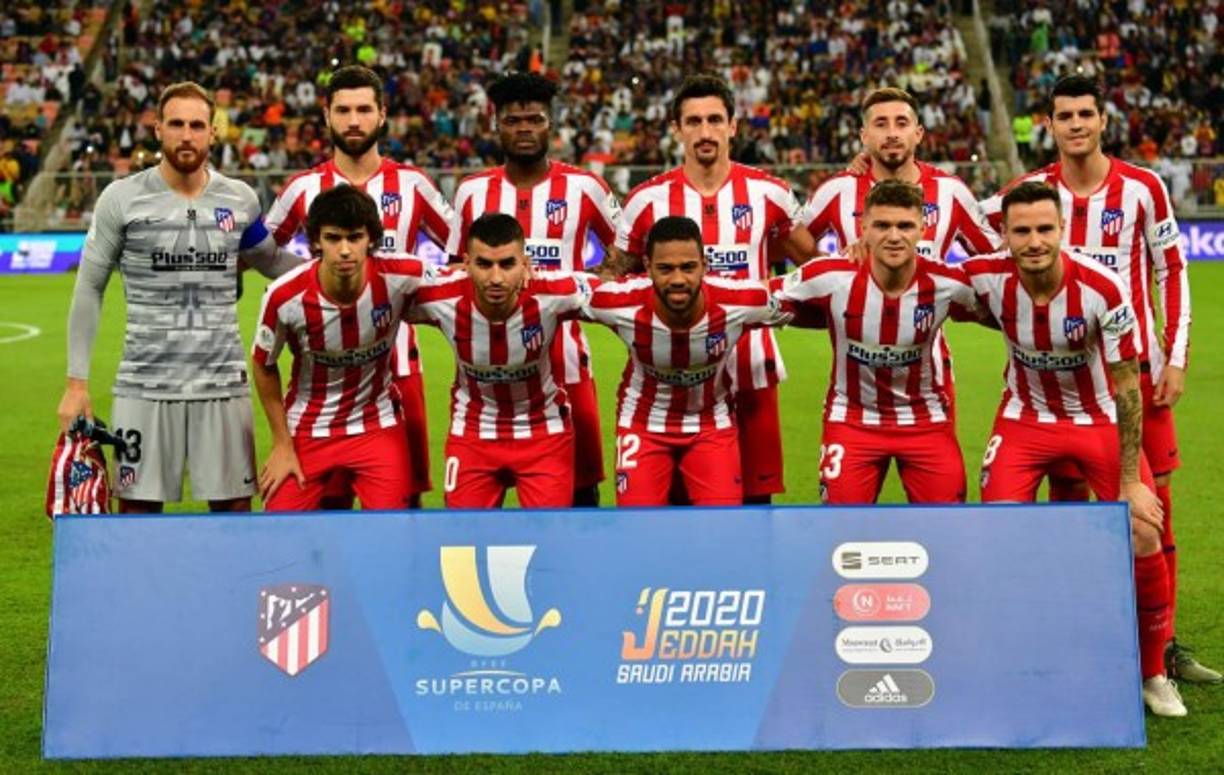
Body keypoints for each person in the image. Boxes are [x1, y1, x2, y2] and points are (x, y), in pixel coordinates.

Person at [980, 76, 1210, 683]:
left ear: (1103, 120)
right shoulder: (1029, 195)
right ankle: (1082, 635)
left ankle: (1163, 648)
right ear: (1050, 125)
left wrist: (1176, 356)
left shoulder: (1142, 188)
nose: (1076, 124)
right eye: (1065, 115)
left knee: (1154, 508)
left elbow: (1172, 270)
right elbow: (952, 221)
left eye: (1086, 113)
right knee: (1069, 506)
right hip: (1056, 389)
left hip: (1134, 375)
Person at [964, 181, 1182, 717]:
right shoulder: (983, 278)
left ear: (1062, 229)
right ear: (1004, 234)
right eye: (1022, 231)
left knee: (1143, 529)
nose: (1035, 241)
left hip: (1097, 417)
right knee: (1000, 533)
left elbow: (1127, 387)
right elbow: (920, 278)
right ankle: (1021, 657)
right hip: (1024, 418)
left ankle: (1153, 672)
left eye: (1045, 229)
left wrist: (1130, 481)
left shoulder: (1103, 288)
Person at [56, 81, 300, 513]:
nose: (186, 135)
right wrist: (76, 384)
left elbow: (273, 262)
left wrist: (339, 268)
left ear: (213, 133)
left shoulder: (240, 199)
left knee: (233, 516)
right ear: (157, 129)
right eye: (176, 124)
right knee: (137, 518)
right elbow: (90, 286)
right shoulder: (121, 199)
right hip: (143, 386)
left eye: (197, 125)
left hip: (223, 386)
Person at [614, 74, 818, 504]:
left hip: (751, 369)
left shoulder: (770, 193)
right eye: (693, 122)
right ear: (677, 129)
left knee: (755, 501)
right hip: (676, 374)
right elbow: (614, 279)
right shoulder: (646, 201)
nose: (705, 132)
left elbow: (815, 269)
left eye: (714, 120)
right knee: (674, 505)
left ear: (733, 126)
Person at [265, 65, 454, 509]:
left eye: (364, 110)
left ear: (382, 114)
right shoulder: (303, 188)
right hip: (324, 374)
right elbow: (264, 253)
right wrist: (305, 281)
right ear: (326, 115)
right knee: (328, 509)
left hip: (398, 368)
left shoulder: (413, 185)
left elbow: (462, 253)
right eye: (344, 110)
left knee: (401, 506)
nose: (354, 121)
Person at [445, 72, 623, 506]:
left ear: (550, 124)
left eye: (534, 119)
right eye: (513, 120)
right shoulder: (472, 191)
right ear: (496, 126)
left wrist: (584, 283)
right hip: (486, 370)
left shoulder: (585, 187)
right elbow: (454, 269)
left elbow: (628, 253)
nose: (524, 128)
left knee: (579, 496)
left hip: (567, 364)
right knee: (473, 507)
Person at [775, 181, 983, 504]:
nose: (894, 236)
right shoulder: (830, 276)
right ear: (864, 229)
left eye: (905, 226)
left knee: (945, 522)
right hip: (852, 419)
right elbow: (758, 298)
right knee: (843, 524)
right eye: (882, 225)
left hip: (925, 421)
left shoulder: (949, 283)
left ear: (923, 229)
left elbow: (1004, 305)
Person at [585, 216, 790, 507]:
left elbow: (808, 300)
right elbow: (558, 296)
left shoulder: (741, 301)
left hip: (711, 424)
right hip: (642, 424)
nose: (678, 280)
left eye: (688, 267)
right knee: (638, 525)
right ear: (647, 267)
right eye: (665, 269)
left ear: (705, 266)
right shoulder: (615, 302)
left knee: (722, 524)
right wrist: (523, 275)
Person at [252, 186, 433, 511]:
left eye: (355, 237)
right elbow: (263, 364)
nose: (345, 250)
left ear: (371, 239)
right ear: (316, 241)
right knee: (278, 527)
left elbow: (461, 288)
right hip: (306, 427)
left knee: (393, 525)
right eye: (333, 238)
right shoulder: (284, 296)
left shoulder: (403, 276)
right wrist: (281, 443)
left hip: (377, 424)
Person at [413, 213, 595, 508]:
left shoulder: (555, 292)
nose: (496, 278)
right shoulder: (439, 295)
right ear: (466, 263)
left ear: (526, 263)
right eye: (484, 264)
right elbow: (386, 291)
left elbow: (620, 295)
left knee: (550, 531)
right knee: (463, 533)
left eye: (507, 264)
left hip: (544, 431)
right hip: (472, 432)